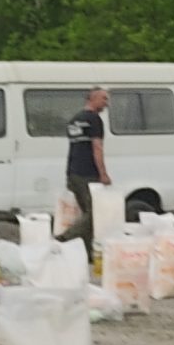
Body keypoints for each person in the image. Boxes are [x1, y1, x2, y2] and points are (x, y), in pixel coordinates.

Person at [59, 88, 109, 245]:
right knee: (95, 213)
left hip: (73, 172)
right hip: (87, 174)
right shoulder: (94, 119)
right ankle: (65, 237)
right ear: (92, 98)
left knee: (86, 214)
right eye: (104, 99)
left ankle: (86, 251)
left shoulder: (74, 120)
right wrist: (103, 174)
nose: (107, 103)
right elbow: (97, 148)